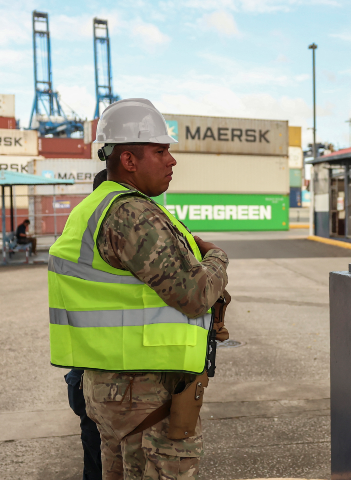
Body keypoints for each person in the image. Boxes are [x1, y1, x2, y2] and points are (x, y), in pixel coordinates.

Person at [48, 98, 229, 479]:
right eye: (160, 151)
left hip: (115, 386)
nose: (171, 160)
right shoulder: (131, 213)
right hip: (142, 392)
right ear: (129, 160)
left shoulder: (98, 206)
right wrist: (217, 259)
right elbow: (193, 294)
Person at [63, 169, 109, 480]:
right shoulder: (124, 228)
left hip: (84, 359)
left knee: (93, 448)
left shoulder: (76, 223)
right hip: (112, 365)